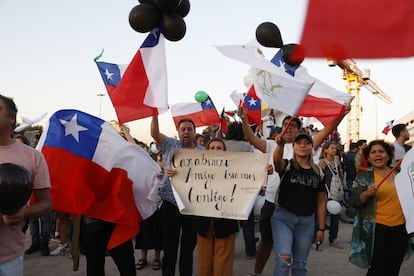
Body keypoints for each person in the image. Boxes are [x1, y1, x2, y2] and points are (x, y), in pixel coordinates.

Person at [239, 106, 349, 275]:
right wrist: (245, 120)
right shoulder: (271, 144)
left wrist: (342, 113)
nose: (289, 128)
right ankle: (257, 272)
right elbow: (251, 139)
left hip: (302, 209)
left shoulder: (305, 145)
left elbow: (328, 130)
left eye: (293, 126)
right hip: (273, 203)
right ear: (281, 128)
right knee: (266, 243)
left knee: (293, 257)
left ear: (300, 131)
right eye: (285, 125)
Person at [167, 137, 240, 276]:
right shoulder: (197, 169)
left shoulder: (235, 170)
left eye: (219, 148)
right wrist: (175, 174)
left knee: (222, 268)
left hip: (226, 224)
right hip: (203, 225)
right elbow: (185, 183)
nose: (215, 150)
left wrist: (262, 173)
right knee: (204, 266)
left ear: (225, 151)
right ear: (206, 151)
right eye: (212, 148)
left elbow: (247, 184)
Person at [0, 94, 52, 275]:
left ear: (11, 118)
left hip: (9, 258)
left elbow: (46, 203)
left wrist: (24, 213)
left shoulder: (33, 156)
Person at [349, 140, 413, 275]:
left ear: (388, 155)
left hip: (401, 229)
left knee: (393, 268)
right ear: (368, 157)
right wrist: (365, 194)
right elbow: (354, 201)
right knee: (378, 269)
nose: (377, 155)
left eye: (381, 151)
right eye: (373, 152)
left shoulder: (400, 174)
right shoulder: (365, 176)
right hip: (377, 230)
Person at [151, 115, 203, 276]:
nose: (186, 132)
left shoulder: (203, 152)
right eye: (183, 129)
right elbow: (154, 133)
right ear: (178, 132)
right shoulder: (170, 145)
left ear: (194, 132)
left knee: (187, 250)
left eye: (189, 129)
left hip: (191, 206)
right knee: (170, 249)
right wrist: (154, 113)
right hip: (170, 204)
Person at [272, 132, 327, 276]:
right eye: (299, 142)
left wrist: (321, 228)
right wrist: (280, 146)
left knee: (300, 265)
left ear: (311, 148)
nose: (303, 145)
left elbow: (321, 201)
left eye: (307, 143)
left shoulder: (318, 172)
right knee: (284, 259)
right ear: (294, 146)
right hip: (283, 218)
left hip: (307, 222)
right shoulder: (288, 166)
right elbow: (277, 162)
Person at [224, 121, 256, 259]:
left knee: (227, 222)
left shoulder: (223, 145)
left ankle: (227, 251)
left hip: (225, 188)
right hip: (244, 188)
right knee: (248, 222)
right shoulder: (247, 146)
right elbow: (254, 165)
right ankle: (250, 251)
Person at [318, 141, 344, 249]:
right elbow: (319, 178)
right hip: (325, 192)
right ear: (325, 150)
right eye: (332, 148)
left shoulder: (337, 161)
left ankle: (333, 239)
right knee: (321, 217)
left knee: (335, 216)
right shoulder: (322, 162)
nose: (334, 150)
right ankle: (317, 241)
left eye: (335, 148)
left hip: (335, 193)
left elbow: (341, 174)